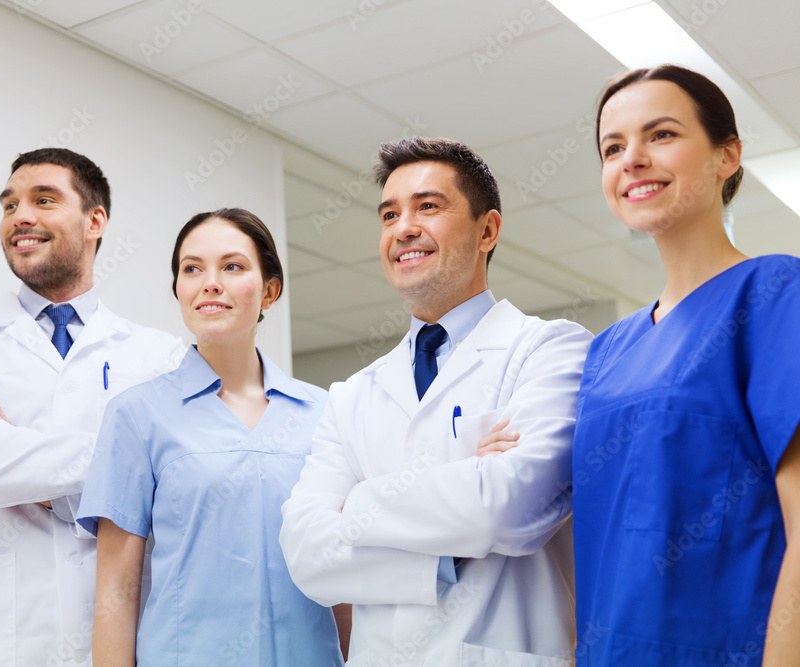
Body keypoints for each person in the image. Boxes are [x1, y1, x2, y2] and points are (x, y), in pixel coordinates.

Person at [279, 136, 592, 665]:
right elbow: (308, 556)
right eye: (389, 214)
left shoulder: (552, 349)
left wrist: (358, 502)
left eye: (428, 206)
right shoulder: (353, 394)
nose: (403, 228)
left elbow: (512, 507)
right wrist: (449, 543)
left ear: (487, 230)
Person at [0, 148, 183, 667]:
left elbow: (172, 483)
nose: (21, 217)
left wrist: (17, 453)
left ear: (95, 220)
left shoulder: (160, 355)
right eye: (9, 204)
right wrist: (122, 459)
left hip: (118, 632)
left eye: (44, 200)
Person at [571, 64, 800, 665]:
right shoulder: (607, 349)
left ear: (728, 156)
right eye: (613, 147)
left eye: (662, 135)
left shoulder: (775, 293)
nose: (633, 158)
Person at [76, 208, 348, 666]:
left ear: (270, 290)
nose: (210, 282)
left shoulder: (324, 413)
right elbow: (115, 595)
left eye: (233, 266)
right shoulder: (137, 415)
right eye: (192, 269)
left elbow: (341, 572)